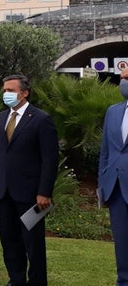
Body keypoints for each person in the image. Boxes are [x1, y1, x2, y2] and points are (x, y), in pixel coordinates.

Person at [0, 74, 59, 286]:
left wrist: (44, 191)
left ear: (24, 93)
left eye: (10, 90)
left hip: (31, 193)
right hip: (4, 191)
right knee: (9, 239)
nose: (6, 94)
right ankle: (15, 279)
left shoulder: (41, 119)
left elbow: (50, 159)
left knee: (33, 242)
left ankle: (36, 281)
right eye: (4, 91)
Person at [99, 67, 128, 285]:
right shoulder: (113, 111)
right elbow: (106, 152)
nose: (123, 82)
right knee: (122, 243)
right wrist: (103, 185)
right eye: (123, 78)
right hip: (116, 188)